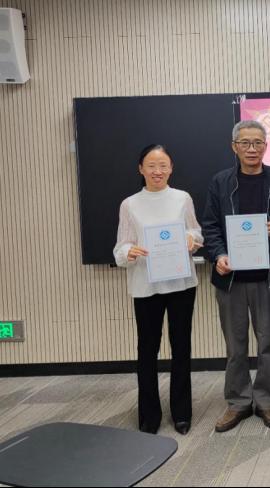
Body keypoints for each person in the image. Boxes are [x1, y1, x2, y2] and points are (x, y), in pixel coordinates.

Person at [202, 120, 270, 432]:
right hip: (231, 278)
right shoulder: (220, 181)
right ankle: (238, 401)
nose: (252, 149)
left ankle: (267, 401)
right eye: (245, 143)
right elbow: (210, 225)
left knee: (267, 343)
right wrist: (218, 255)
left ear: (266, 146)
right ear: (234, 147)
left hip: (267, 276)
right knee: (235, 345)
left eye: (257, 143)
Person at [113, 144, 203, 435]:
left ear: (171, 168)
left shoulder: (182, 198)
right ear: (141, 169)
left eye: (163, 165)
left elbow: (196, 232)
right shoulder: (129, 204)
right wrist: (128, 252)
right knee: (147, 350)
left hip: (180, 284)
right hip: (145, 284)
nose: (157, 171)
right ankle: (149, 416)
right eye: (151, 165)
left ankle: (182, 413)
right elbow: (121, 246)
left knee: (181, 347)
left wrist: (191, 239)